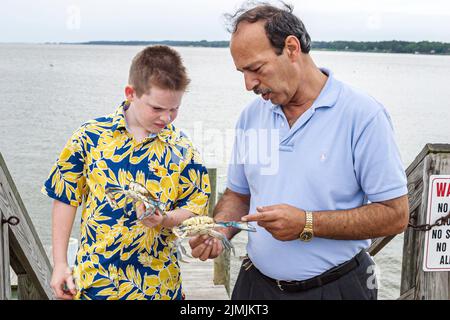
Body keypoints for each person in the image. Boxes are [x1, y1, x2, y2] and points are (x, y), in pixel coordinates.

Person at [189, 2, 409, 300]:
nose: (248, 84)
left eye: (255, 69)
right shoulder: (251, 116)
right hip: (254, 285)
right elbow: (238, 196)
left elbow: (394, 215)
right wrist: (220, 231)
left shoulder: (363, 115)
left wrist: (307, 223)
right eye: (242, 72)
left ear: (291, 48)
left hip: (335, 289)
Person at [42, 45, 211, 300]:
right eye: (157, 108)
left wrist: (165, 219)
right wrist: (59, 264)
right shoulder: (89, 136)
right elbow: (66, 198)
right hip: (94, 285)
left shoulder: (183, 148)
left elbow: (195, 206)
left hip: (159, 287)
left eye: (174, 109)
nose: (167, 118)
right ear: (131, 93)